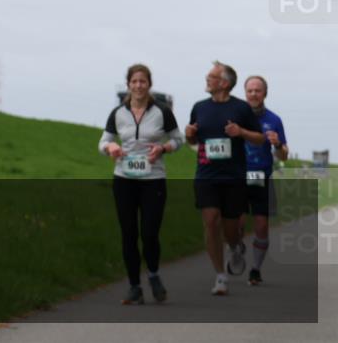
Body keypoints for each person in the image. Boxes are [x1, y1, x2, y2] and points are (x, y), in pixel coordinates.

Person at [99, 64, 184, 305]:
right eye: (134, 81)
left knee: (149, 233)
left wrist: (163, 148)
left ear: (149, 84)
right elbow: (103, 141)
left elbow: (178, 139)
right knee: (128, 234)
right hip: (124, 180)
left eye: (143, 81)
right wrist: (111, 147)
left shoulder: (162, 111)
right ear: (128, 84)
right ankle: (134, 286)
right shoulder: (118, 113)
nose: (138, 85)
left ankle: (154, 275)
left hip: (153, 180)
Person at [185, 61, 264, 296]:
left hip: (233, 177)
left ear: (224, 83)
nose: (207, 79)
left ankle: (235, 246)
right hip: (206, 175)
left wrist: (241, 132)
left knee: (230, 227)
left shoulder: (241, 109)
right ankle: (220, 276)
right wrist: (189, 135)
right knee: (210, 220)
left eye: (211, 76)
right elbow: (193, 141)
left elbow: (259, 138)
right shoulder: (199, 107)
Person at [239, 75, 288, 286]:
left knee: (261, 226)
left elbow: (284, 155)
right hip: (238, 177)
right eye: (250, 90)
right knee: (235, 224)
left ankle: (255, 269)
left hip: (262, 177)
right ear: (244, 93)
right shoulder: (236, 116)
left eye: (257, 90)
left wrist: (277, 145)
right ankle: (235, 250)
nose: (253, 94)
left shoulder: (274, 120)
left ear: (264, 94)